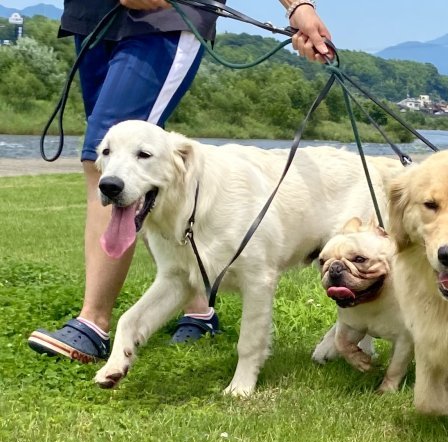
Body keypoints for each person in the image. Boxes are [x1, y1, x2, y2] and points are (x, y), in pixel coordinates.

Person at [28, 0, 332, 363]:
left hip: (161, 17)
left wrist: (297, 6)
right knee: (111, 154)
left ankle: (92, 324)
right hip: (91, 14)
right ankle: (199, 308)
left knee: (113, 165)